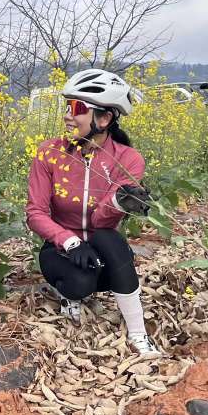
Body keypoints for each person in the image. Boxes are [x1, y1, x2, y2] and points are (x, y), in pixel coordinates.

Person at [25, 68, 160, 357]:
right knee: (79, 284)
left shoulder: (128, 159)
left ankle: (138, 334)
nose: (67, 116)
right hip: (60, 250)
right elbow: (35, 212)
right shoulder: (49, 152)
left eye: (76, 108)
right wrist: (70, 241)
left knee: (108, 238)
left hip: (104, 249)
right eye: (67, 107)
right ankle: (68, 294)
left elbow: (100, 222)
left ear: (104, 118)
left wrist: (119, 203)